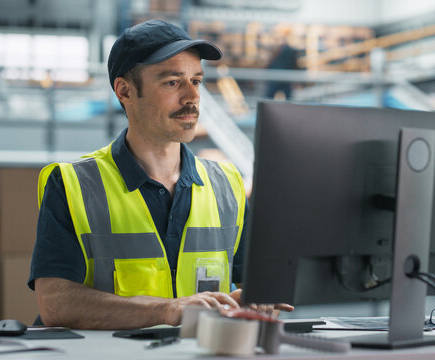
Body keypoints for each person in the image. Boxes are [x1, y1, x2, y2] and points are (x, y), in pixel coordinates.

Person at [28, 19, 292, 330]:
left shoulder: (228, 185)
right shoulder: (74, 184)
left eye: (196, 80)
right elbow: (56, 303)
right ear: (125, 91)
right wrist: (165, 310)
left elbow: (253, 283)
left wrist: (253, 299)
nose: (191, 97)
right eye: (172, 82)